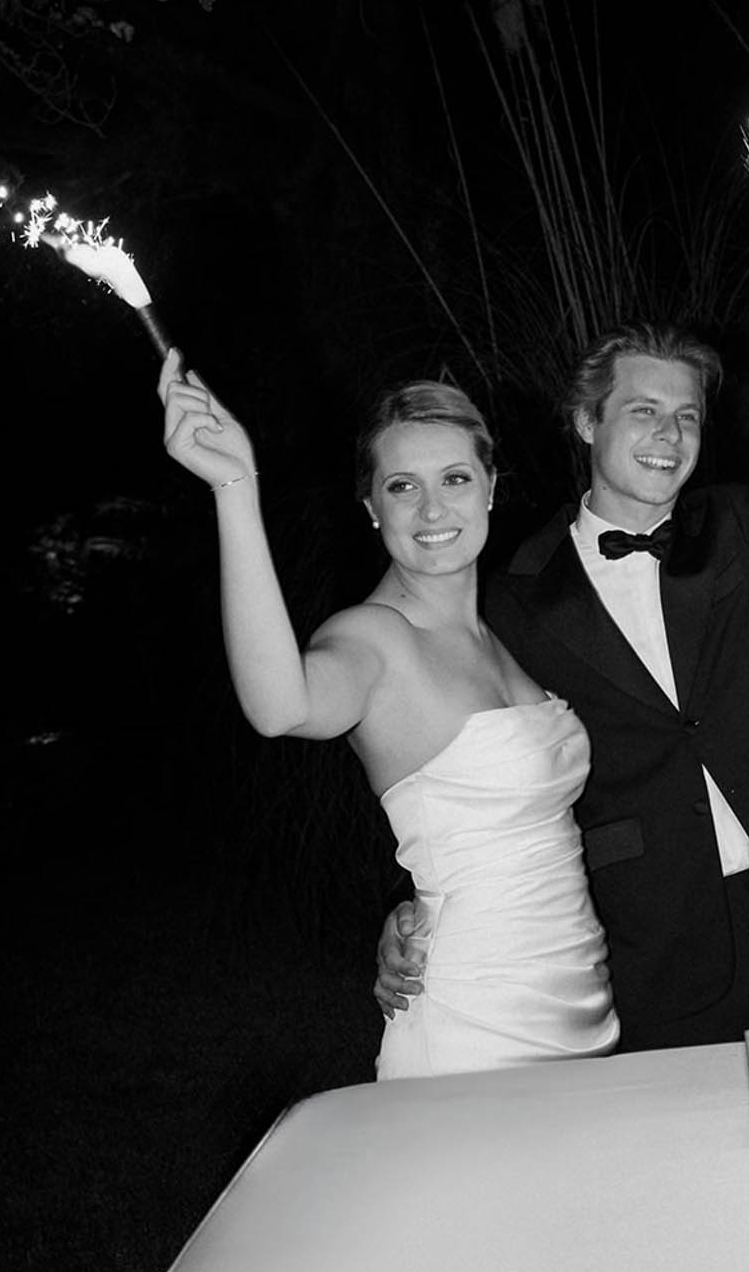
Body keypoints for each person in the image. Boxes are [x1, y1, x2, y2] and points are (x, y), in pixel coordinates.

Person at [376, 239, 749, 1051]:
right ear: (586, 420)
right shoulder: (513, 596)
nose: (669, 434)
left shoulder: (743, 527)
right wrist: (413, 907)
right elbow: (460, 763)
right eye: (643, 411)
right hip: (653, 940)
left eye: (686, 416)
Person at [158, 357, 618, 1076]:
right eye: (402, 487)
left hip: (584, 1018)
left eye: (455, 479)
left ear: (491, 488)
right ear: (371, 506)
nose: (432, 511)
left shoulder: (501, 637)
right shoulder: (372, 639)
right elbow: (281, 706)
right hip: (472, 1033)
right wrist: (234, 489)